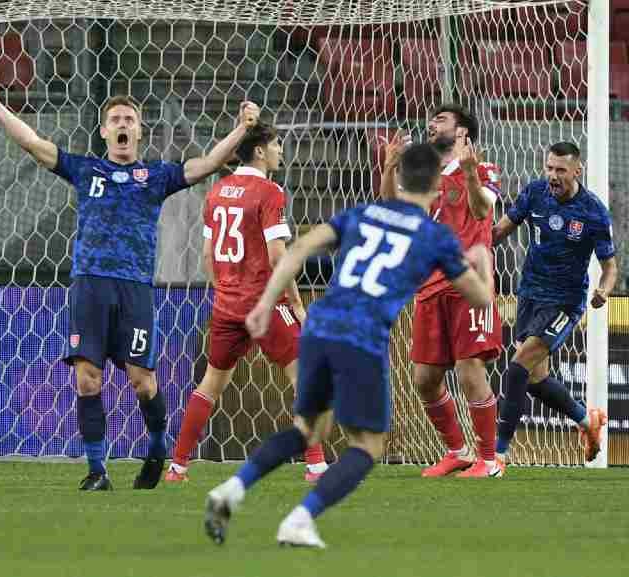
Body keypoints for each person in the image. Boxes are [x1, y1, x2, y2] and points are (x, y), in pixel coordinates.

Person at [0, 75, 259, 490]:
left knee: (142, 380)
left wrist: (242, 129)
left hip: (135, 289)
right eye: (116, 119)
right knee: (87, 378)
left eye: (130, 118)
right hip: (89, 284)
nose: (123, 124)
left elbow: (207, 165)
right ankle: (97, 471)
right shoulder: (86, 169)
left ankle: (158, 447)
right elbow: (34, 144)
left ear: (139, 130)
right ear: (105, 130)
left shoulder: (156, 175)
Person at [204, 143, 494, 548]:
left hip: (320, 326)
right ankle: (301, 519)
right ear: (434, 187)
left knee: (309, 428)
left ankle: (231, 490)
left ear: (402, 177)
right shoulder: (435, 236)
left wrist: (267, 303)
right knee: (368, 445)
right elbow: (481, 300)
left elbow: (301, 248)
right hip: (360, 336)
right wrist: (482, 259)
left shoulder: (363, 213)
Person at [165, 121, 327, 484]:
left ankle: (177, 466)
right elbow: (276, 255)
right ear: (259, 150)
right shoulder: (270, 192)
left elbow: (207, 255)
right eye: (277, 144)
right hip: (264, 303)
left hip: (227, 306)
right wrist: (296, 303)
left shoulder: (217, 190)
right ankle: (316, 465)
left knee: (209, 385)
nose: (281, 150)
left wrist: (225, 292)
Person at [381, 104, 503, 477]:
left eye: (442, 120)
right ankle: (458, 450)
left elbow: (483, 212)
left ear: (463, 131)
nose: (432, 125)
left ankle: (489, 460)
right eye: (431, 120)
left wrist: (468, 174)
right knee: (424, 379)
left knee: (470, 369)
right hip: (429, 286)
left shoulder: (484, 169)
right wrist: (388, 168)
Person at [491, 141, 614, 463]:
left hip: (565, 303)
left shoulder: (593, 211)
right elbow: (500, 230)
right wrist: (465, 248)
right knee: (535, 379)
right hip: (530, 295)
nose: (553, 175)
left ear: (577, 170)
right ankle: (589, 422)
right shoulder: (534, 193)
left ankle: (498, 455)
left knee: (517, 369)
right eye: (549, 168)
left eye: (560, 170)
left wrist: (604, 290)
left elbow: (610, 267)